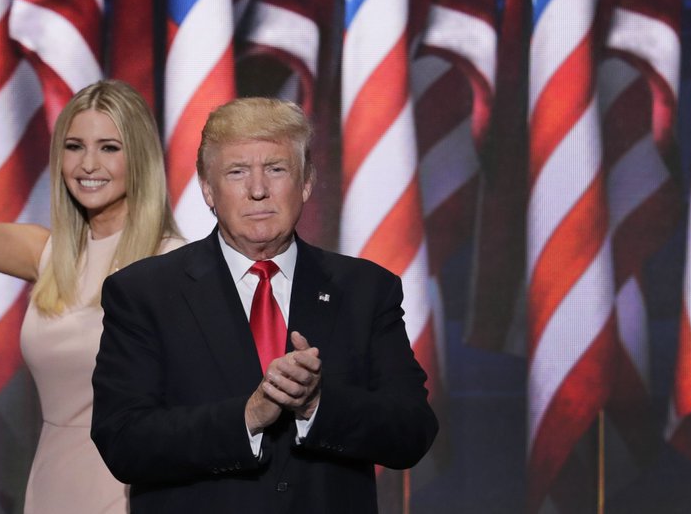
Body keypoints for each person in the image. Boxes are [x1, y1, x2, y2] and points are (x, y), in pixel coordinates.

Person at [91, 97, 438, 512]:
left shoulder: (366, 290)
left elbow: (412, 431)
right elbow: (124, 441)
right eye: (237, 172)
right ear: (207, 189)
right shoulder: (143, 293)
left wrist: (316, 405)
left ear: (306, 182)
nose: (258, 190)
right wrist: (249, 416)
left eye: (276, 169)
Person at [0, 20, 183, 513]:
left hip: (135, 491)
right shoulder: (48, 253)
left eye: (109, 147)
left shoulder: (175, 262)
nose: (88, 165)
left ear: (139, 157)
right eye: (74, 147)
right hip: (52, 486)